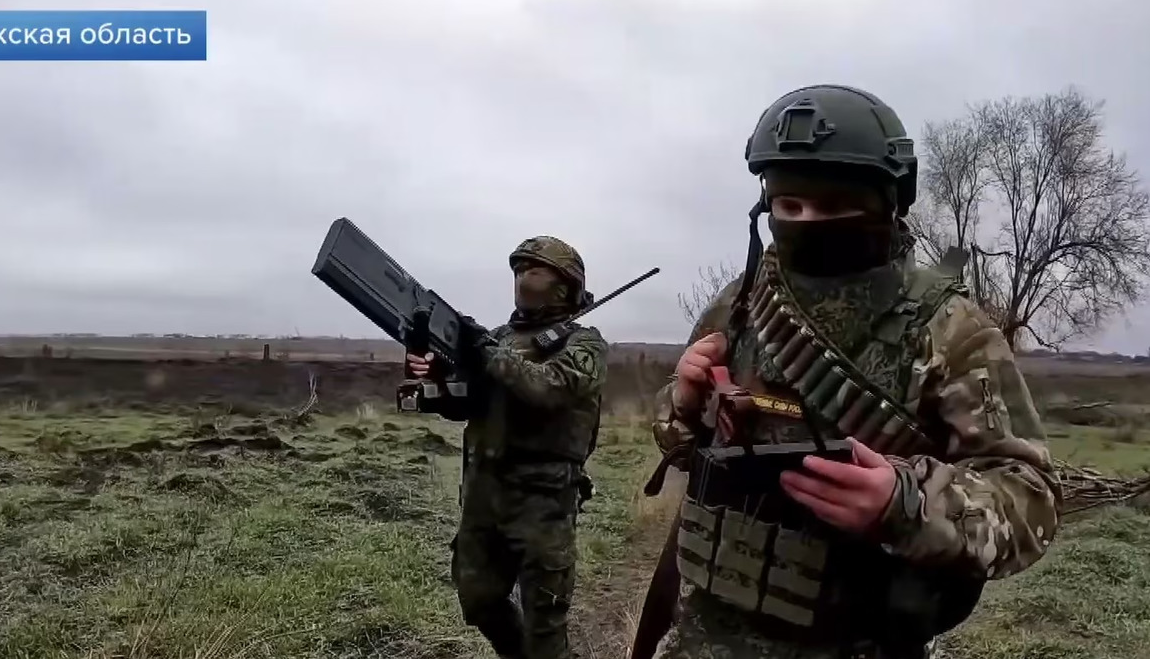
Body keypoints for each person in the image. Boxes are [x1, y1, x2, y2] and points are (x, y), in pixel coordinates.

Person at [633, 84, 1062, 659]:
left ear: (888, 203)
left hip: (857, 641)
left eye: (834, 206)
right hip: (706, 632)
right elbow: (688, 445)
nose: (807, 223)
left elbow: (1030, 497)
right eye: (789, 207)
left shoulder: (950, 328)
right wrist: (685, 401)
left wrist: (904, 502)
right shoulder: (741, 302)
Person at [406, 235, 609, 659]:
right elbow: (467, 403)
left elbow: (547, 388)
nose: (522, 279)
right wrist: (438, 378)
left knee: (544, 627)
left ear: (565, 285)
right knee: (477, 598)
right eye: (517, 270)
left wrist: (484, 351)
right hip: (484, 496)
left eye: (533, 270)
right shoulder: (498, 338)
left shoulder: (584, 344)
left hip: (543, 503)